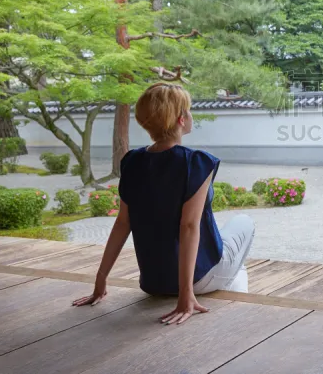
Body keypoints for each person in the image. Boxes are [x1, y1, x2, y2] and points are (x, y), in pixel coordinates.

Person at [73, 83, 255, 325]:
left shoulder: (132, 161)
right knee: (244, 223)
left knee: (222, 240)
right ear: (181, 119)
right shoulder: (196, 163)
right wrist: (185, 294)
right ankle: (231, 305)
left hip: (152, 283)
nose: (190, 115)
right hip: (196, 281)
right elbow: (189, 226)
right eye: (188, 111)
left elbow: (123, 222)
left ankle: (218, 287)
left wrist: (101, 278)